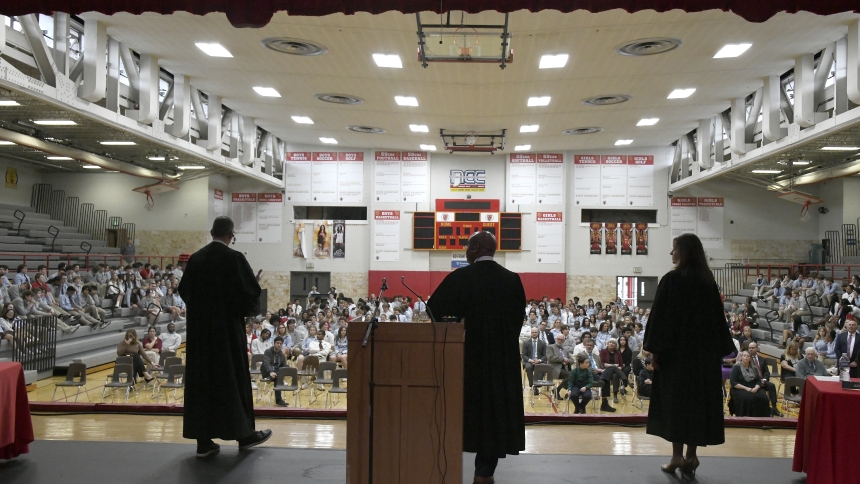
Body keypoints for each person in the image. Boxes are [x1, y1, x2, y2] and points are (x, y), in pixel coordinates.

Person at [426, 231, 526, 484]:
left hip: (467, 363)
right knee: (493, 420)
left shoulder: (461, 278)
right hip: (502, 365)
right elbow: (516, 323)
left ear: (476, 247)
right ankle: (484, 474)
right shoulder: (512, 280)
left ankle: (446, 472)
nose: (465, 251)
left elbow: (435, 312)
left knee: (459, 415)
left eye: (467, 246)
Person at [644, 234, 735, 478]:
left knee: (676, 406)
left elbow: (660, 320)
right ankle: (692, 457)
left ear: (683, 252)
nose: (671, 254)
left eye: (674, 249)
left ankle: (676, 456)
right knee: (696, 406)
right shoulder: (707, 282)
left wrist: (655, 351)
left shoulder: (671, 280)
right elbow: (718, 323)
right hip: (702, 361)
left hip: (675, 358)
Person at [177, 216, 269, 458]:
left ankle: (203, 442)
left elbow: (184, 290)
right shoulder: (234, 259)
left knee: (202, 383)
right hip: (226, 335)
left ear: (211, 232)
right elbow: (248, 298)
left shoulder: (196, 259)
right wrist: (254, 287)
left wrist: (202, 311)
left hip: (200, 337)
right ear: (231, 234)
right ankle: (244, 435)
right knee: (233, 379)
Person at [729, 351, 771, 417]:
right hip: (739, 388)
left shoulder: (754, 368)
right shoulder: (736, 367)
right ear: (741, 357)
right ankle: (745, 417)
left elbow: (758, 381)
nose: (746, 357)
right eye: (744, 356)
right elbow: (733, 382)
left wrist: (756, 388)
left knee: (764, 397)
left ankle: (762, 417)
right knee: (747, 398)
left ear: (750, 358)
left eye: (748, 356)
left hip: (753, 387)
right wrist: (746, 388)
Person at [747, 341, 782, 417]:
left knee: (772, 386)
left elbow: (766, 372)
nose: (751, 349)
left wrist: (765, 379)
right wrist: (758, 381)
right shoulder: (747, 359)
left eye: (753, 348)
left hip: (763, 381)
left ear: (757, 349)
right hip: (753, 382)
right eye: (749, 348)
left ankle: (774, 407)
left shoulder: (762, 359)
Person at [261, 336, 289, 407]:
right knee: (277, 376)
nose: (279, 345)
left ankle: (270, 378)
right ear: (274, 343)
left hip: (276, 372)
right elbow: (266, 363)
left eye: (280, 343)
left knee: (282, 371)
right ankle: (279, 400)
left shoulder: (282, 355)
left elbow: (283, 367)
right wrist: (271, 372)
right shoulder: (268, 351)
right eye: (277, 343)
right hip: (267, 371)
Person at [521, 327, 546, 395]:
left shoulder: (543, 343)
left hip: (539, 361)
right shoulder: (526, 342)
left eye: (535, 332)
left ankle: (536, 385)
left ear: (538, 333)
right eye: (533, 332)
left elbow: (545, 356)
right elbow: (524, 355)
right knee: (528, 367)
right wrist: (530, 360)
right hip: (529, 361)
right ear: (531, 333)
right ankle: (533, 385)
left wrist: (539, 360)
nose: (534, 334)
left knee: (543, 367)